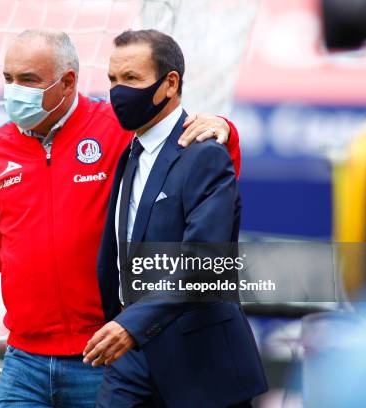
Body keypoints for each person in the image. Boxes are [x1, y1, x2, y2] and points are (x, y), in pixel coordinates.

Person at [0, 29, 243, 407]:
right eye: (8, 79)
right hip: (24, 360)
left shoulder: (118, 127)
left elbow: (188, 161)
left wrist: (225, 132)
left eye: (28, 80)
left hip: (104, 350)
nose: (14, 90)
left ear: (67, 82)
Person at [83, 29, 267, 407]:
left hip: (200, 362)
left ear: (170, 84)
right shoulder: (129, 153)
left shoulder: (205, 155)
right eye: (113, 80)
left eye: (131, 79)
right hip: (132, 357)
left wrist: (130, 324)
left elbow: (203, 261)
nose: (118, 92)